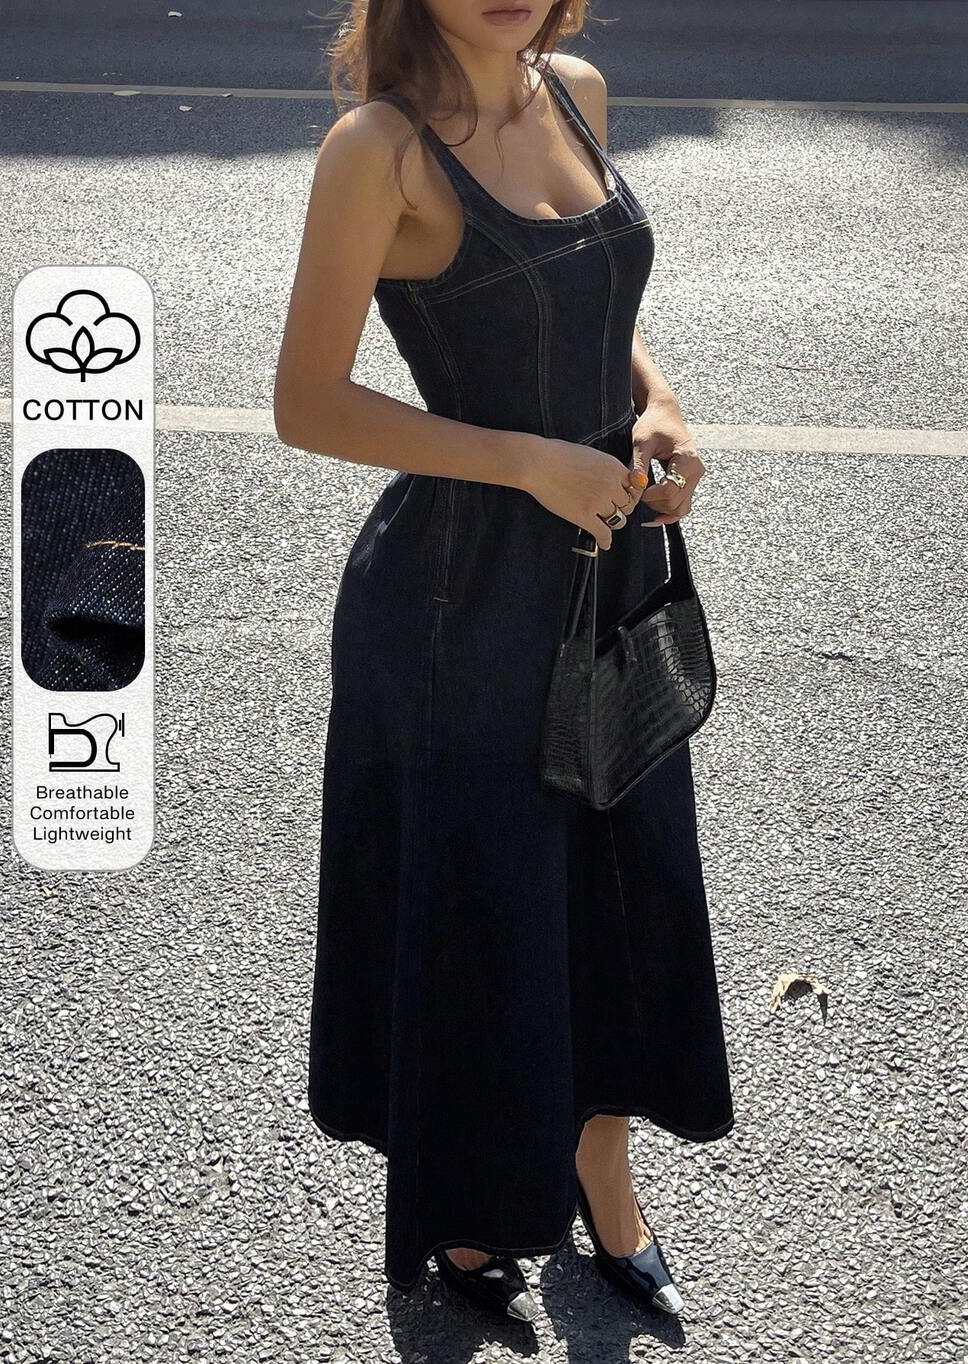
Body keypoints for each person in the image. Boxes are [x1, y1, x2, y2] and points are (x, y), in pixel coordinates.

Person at [274, 0, 734, 1325]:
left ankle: (603, 1176)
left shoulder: (574, 85)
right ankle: (468, 1221)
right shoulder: (380, 148)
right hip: (455, 605)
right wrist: (529, 462)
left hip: (604, 568)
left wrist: (658, 405)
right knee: (485, 910)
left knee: (614, 886)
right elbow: (306, 401)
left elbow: (597, 303)